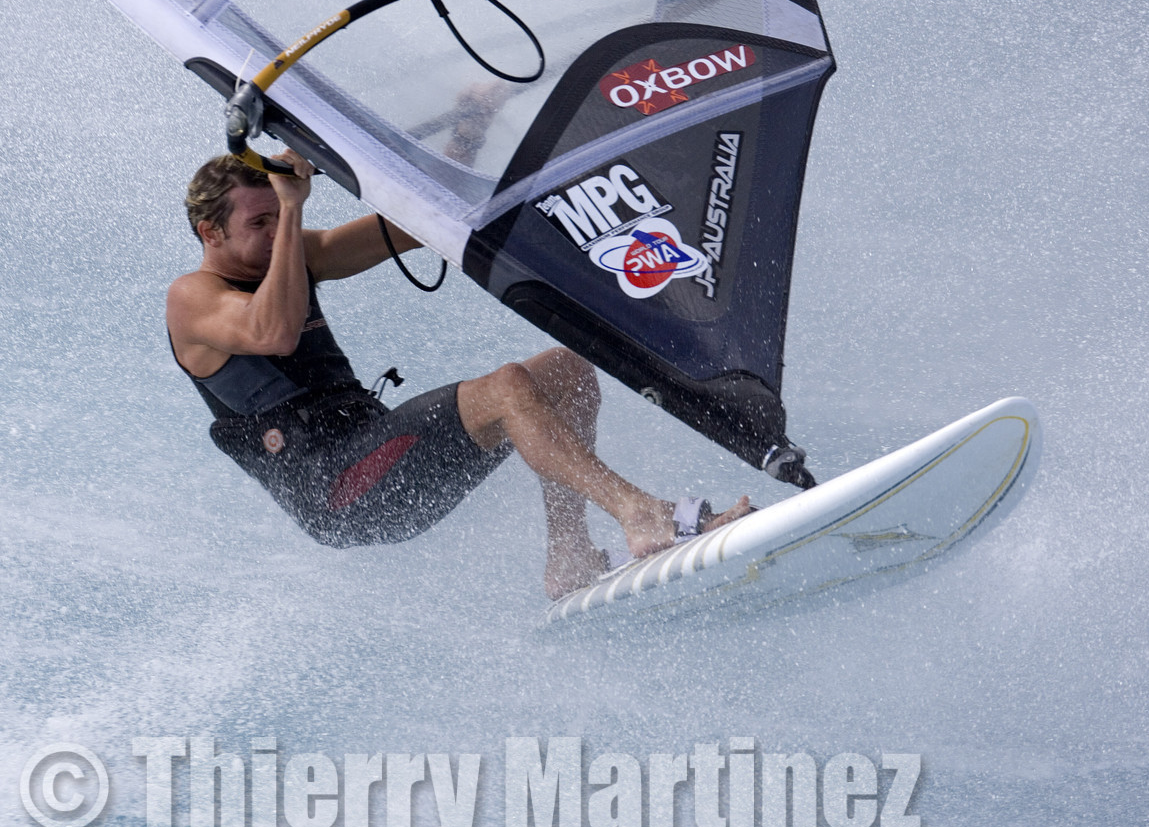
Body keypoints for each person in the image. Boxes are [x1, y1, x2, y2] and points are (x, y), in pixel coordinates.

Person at [165, 149, 754, 599]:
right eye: (259, 224)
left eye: (278, 217)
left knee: (566, 370)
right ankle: (641, 514)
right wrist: (293, 207)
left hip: (384, 457)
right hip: (339, 493)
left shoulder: (295, 254)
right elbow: (274, 333)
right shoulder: (193, 299)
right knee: (506, 388)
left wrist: (470, 128)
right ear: (211, 233)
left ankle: (570, 556)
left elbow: (419, 219)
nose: (276, 234)